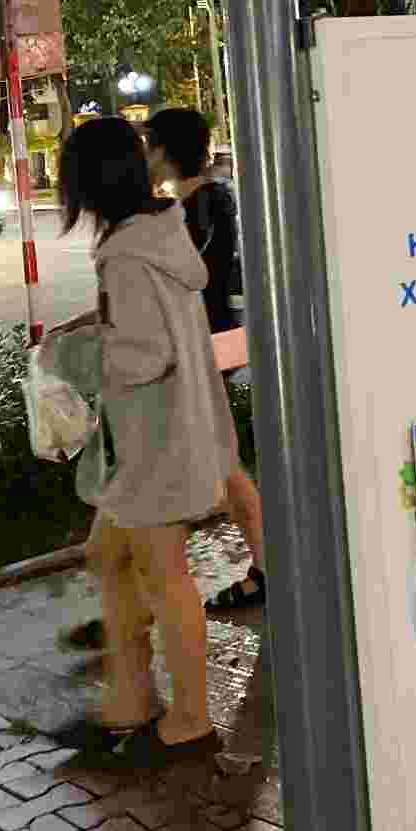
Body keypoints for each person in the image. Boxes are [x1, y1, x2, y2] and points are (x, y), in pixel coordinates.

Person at [52, 116, 239, 763]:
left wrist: (73, 355)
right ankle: (129, 699)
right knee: (112, 559)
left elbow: (138, 356)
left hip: (152, 447)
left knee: (166, 578)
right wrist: (93, 324)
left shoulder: (129, 252)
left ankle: (187, 718)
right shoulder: (160, 231)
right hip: (163, 439)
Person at [145, 108, 266, 611]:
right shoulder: (212, 199)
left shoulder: (195, 209)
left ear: (167, 151)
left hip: (204, 344)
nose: (146, 154)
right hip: (218, 338)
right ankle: (261, 564)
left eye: (150, 144)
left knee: (212, 463)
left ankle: (259, 568)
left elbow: (183, 283)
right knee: (218, 462)